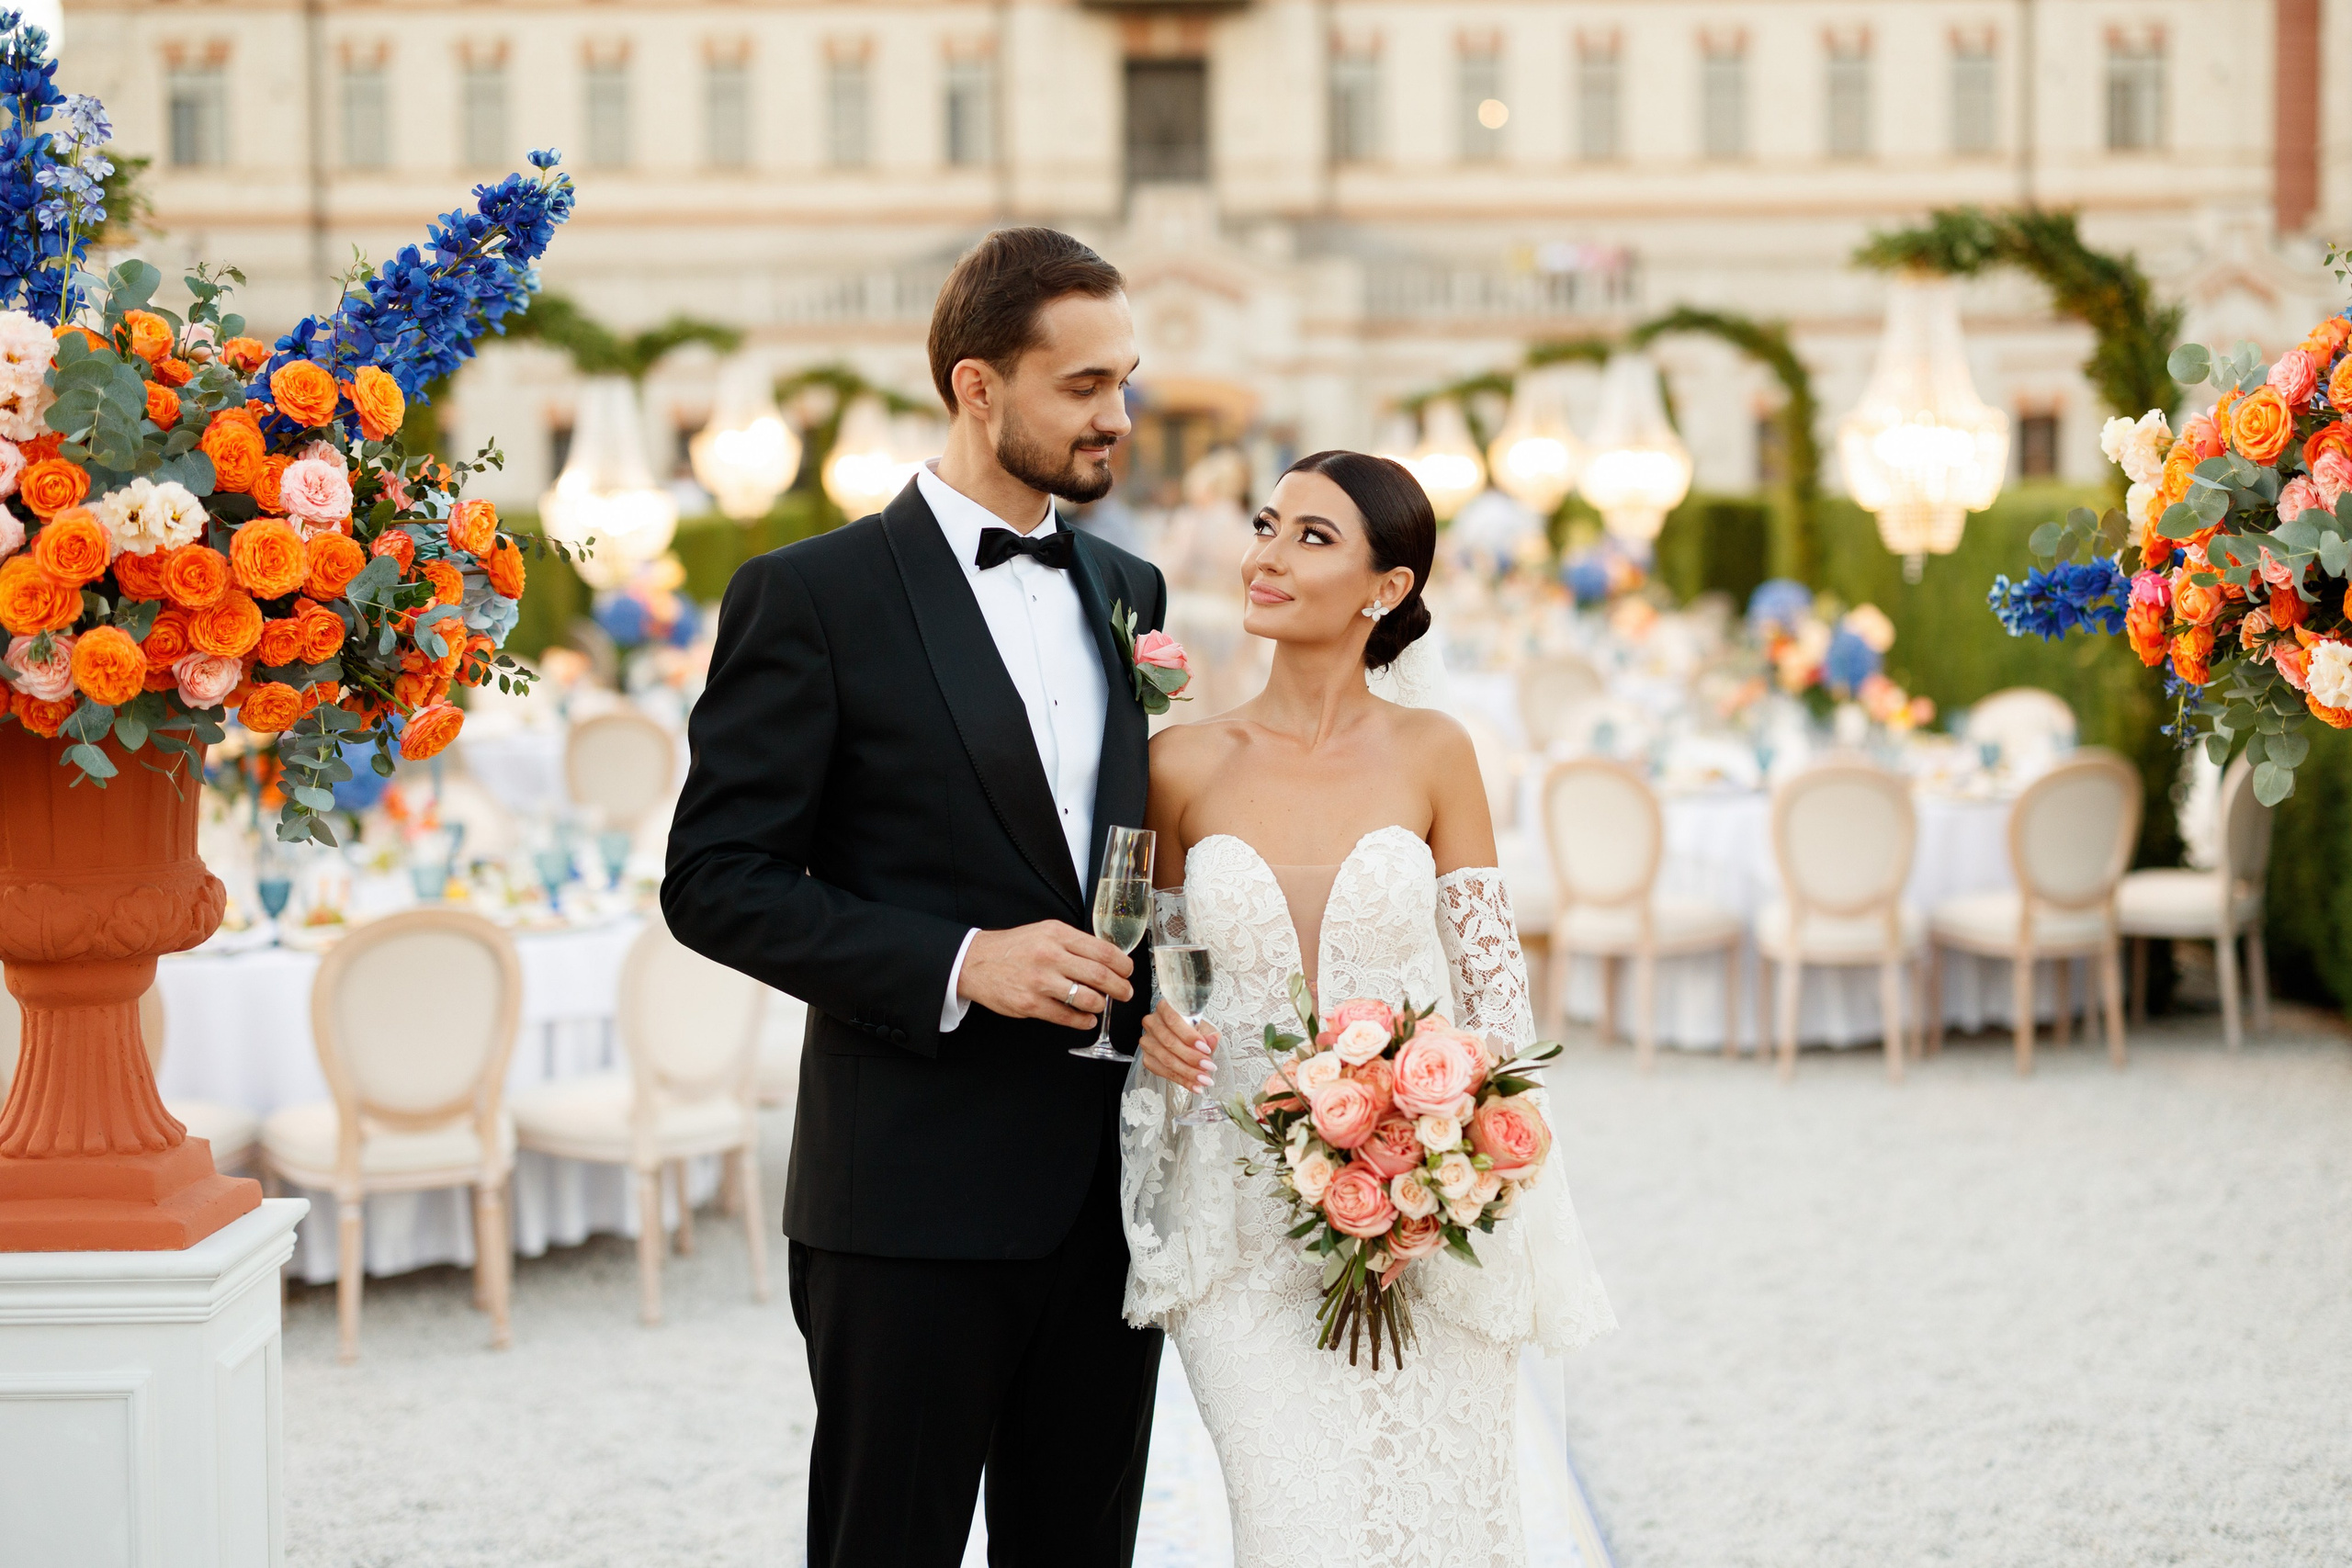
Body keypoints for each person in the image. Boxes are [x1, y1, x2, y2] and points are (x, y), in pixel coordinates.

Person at [663, 227, 1169, 1568]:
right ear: (977, 387)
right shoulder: (812, 594)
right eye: (1083, 386)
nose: (1117, 417)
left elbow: (1129, 855)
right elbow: (715, 880)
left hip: (1110, 1202)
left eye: (1126, 381)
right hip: (906, 1205)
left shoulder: (1131, 589)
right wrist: (959, 961)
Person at [1119, 450, 1616, 1568]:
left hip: (1430, 1221)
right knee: (1292, 1527)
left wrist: (1445, 1164)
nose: (1265, 556)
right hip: (1240, 1228)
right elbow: (1148, 961)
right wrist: (1151, 1011)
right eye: (1264, 524)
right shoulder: (1178, 763)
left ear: (1384, 588)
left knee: (1436, 1526)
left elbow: (1496, 1004)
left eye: (1311, 537)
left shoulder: (1437, 753)